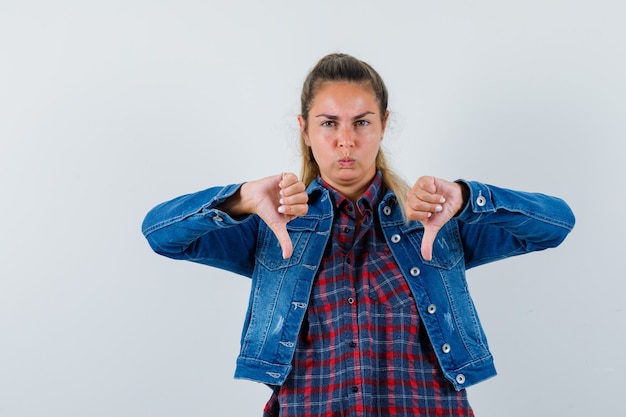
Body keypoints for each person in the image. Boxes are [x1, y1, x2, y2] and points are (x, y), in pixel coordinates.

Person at [142, 53, 575, 417]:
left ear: (383, 125)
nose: (345, 141)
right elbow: (160, 234)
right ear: (305, 129)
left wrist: (469, 197)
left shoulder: (433, 220)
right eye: (329, 123)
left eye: (361, 122)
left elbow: (555, 225)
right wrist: (238, 200)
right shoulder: (273, 225)